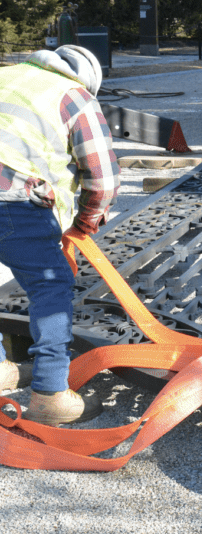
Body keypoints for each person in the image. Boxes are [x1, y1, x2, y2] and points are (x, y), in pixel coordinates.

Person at [0, 45, 120, 426]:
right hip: (13, 200)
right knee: (50, 286)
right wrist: (85, 222)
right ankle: (51, 394)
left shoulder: (7, 75)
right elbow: (102, 178)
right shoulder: (75, 96)